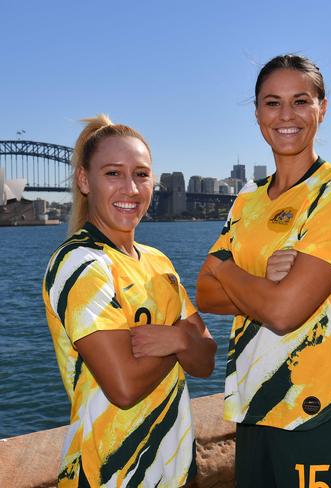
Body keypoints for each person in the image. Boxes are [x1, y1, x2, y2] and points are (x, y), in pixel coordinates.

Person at [196, 54, 331, 487]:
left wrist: (227, 266)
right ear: (257, 112)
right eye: (272, 103)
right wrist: (263, 282)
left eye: (301, 101)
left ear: (322, 109)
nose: (286, 115)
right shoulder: (246, 200)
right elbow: (204, 294)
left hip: (318, 407)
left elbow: (285, 311)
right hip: (254, 406)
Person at [43, 115, 217, 487]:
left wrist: (179, 340)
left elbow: (206, 359)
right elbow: (123, 387)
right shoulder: (81, 264)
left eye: (141, 174)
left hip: (175, 471)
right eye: (113, 174)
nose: (131, 189)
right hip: (111, 475)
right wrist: (181, 343)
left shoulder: (158, 261)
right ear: (84, 180)